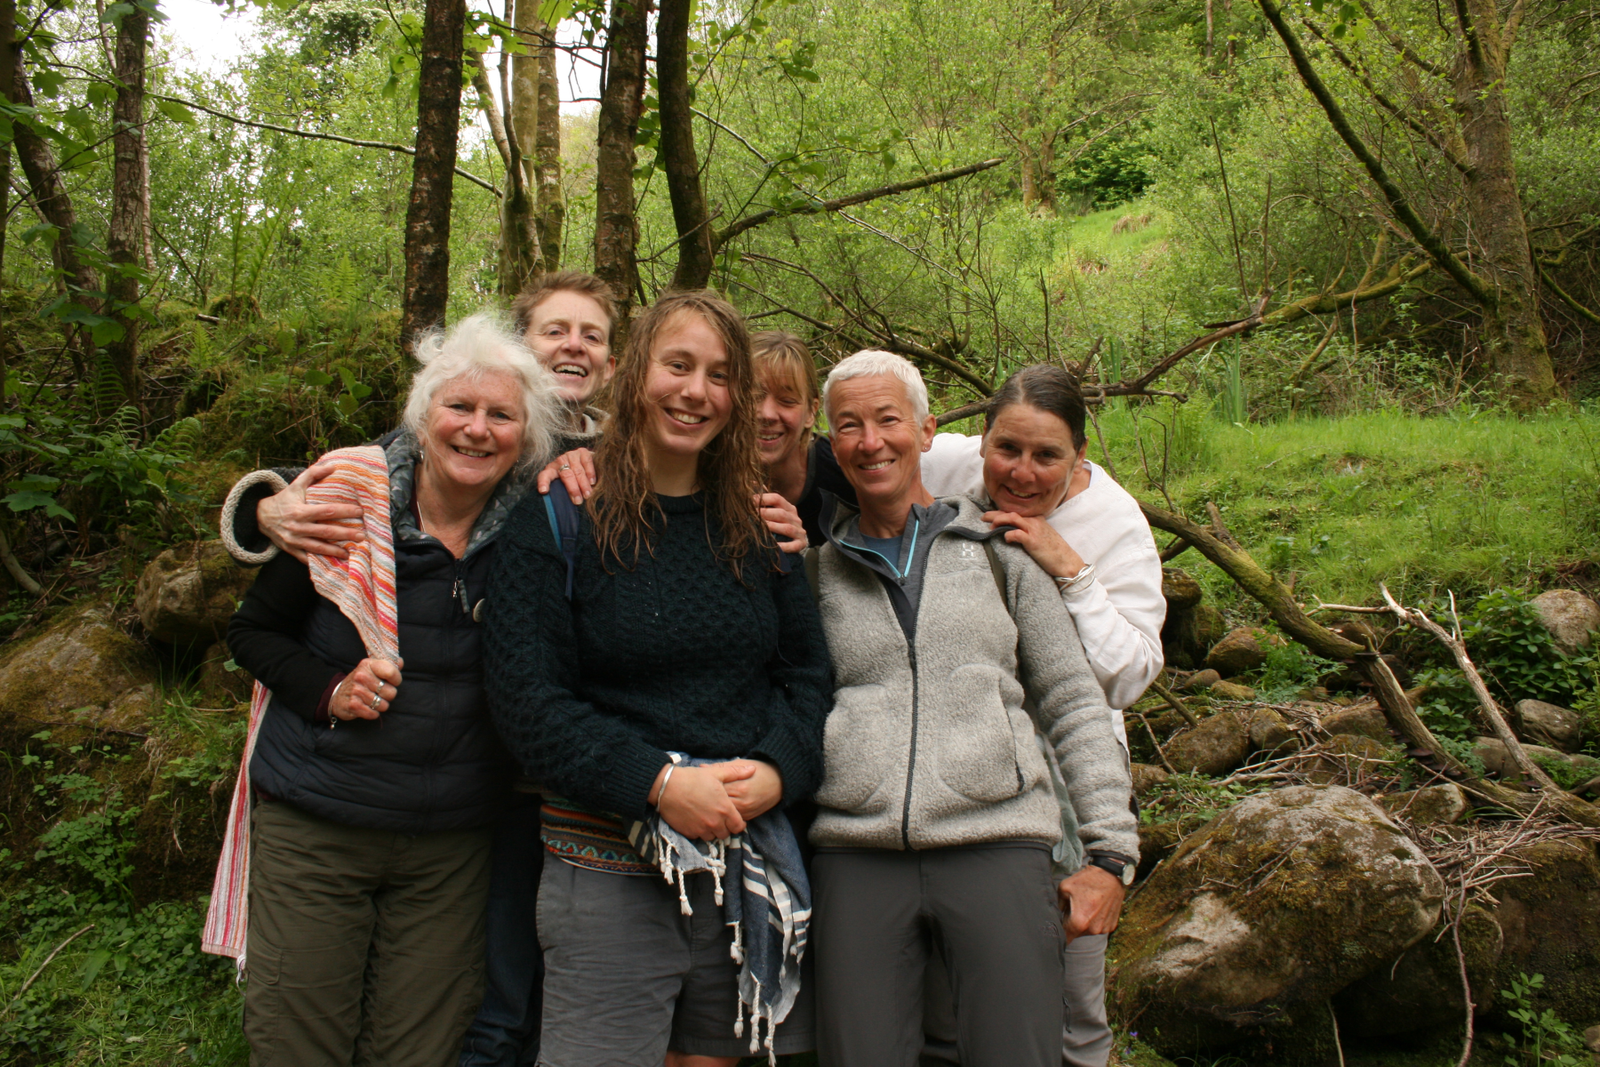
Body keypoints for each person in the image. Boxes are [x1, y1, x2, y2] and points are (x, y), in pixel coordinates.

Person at [482, 289, 832, 1067]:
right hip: (610, 866)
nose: (695, 391)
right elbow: (526, 699)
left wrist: (780, 768)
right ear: (636, 371)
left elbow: (808, 678)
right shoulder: (560, 517)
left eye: (717, 374)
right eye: (678, 365)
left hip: (744, 869)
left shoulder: (757, 522)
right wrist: (659, 782)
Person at [224, 312, 565, 1067]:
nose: (477, 429)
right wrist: (329, 688)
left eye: (501, 415)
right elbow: (253, 633)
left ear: (527, 436)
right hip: (320, 821)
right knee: (296, 1041)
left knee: (421, 1050)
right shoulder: (348, 501)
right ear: (422, 414)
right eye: (459, 408)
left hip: (451, 844)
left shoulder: (536, 530)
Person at [805, 349, 1138, 1067]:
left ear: (927, 432)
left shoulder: (1004, 552)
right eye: (849, 427)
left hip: (999, 842)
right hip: (855, 853)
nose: (871, 441)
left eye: (888, 420)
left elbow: (1076, 703)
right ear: (832, 446)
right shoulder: (813, 574)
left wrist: (1110, 854)